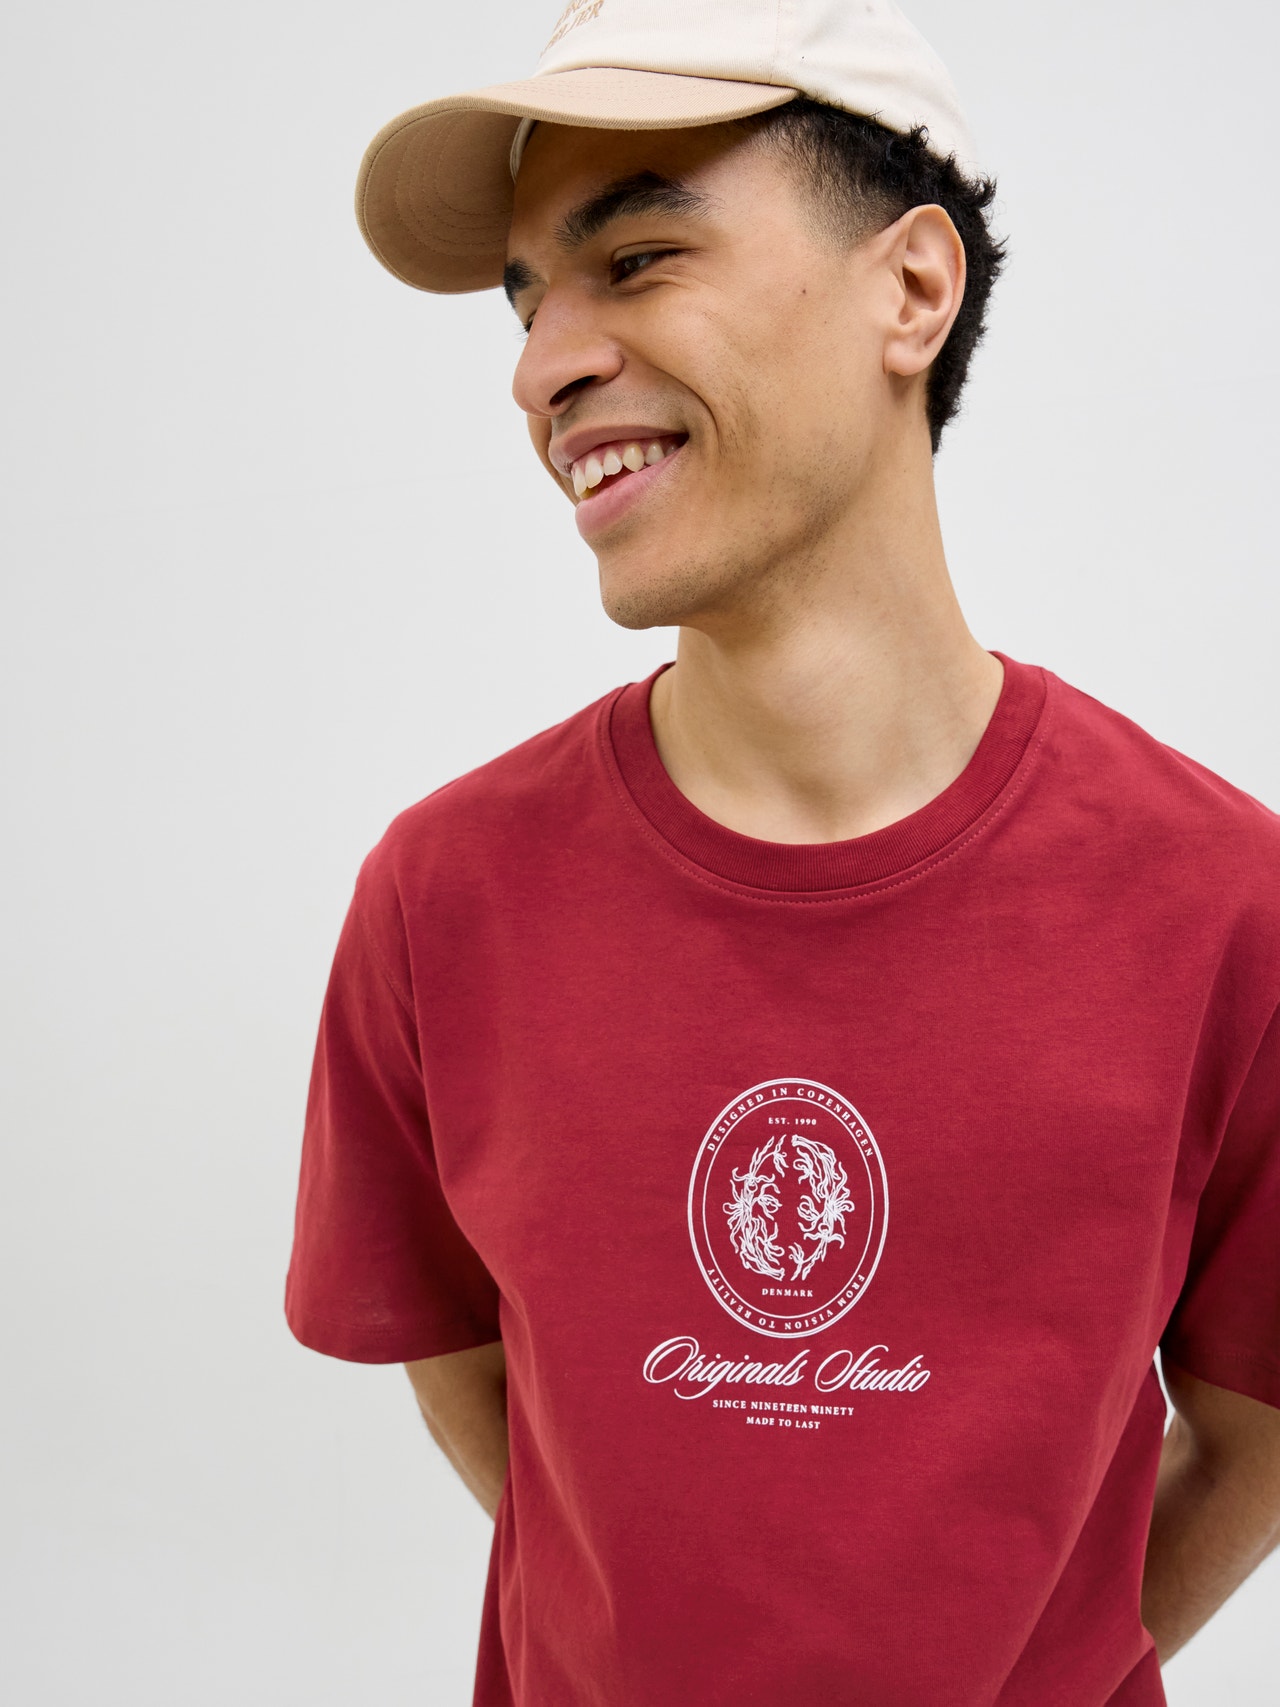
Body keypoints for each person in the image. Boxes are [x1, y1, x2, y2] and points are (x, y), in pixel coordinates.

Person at [285, 2, 1280, 1701]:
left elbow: (1254, 1435)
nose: (540, 368)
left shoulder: (1223, 909)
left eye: (638, 258)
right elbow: (479, 1381)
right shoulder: (441, 903)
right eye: (527, 303)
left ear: (913, 290)